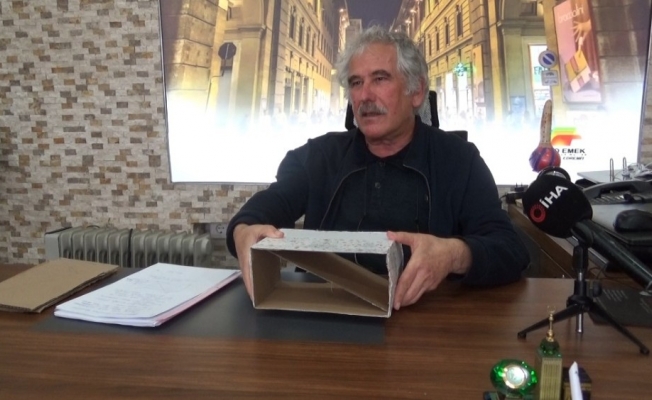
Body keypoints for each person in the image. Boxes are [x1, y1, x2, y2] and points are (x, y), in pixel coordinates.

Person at [226, 26, 530, 310]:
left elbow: (510, 250)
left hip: (428, 323)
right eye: (356, 83)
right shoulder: (317, 157)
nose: (364, 96)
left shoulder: (459, 160)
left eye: (380, 79)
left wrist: (454, 254)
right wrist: (244, 228)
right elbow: (267, 206)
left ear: (417, 91)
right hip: (327, 316)